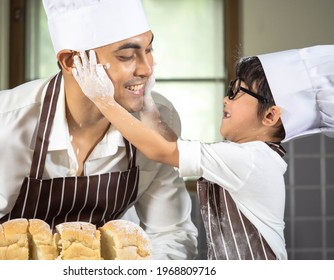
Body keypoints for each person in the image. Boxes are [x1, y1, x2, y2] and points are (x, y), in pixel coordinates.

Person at [0, 0, 198, 260]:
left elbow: (171, 232)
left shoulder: (157, 121)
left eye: (149, 49)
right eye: (126, 56)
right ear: (70, 61)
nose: (146, 68)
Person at [73, 45, 334, 260]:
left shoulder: (252, 160)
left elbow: (161, 150)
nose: (225, 99)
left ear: (270, 115)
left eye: (237, 92)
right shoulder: (249, 154)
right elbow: (172, 145)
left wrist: (102, 99)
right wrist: (148, 103)